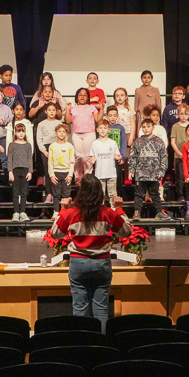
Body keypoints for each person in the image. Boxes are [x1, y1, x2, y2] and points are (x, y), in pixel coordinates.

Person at [50, 174, 131, 330]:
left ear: (81, 192)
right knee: (101, 311)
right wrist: (119, 208)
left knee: (79, 309)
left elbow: (55, 234)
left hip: (78, 263)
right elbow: (125, 232)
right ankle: (100, 345)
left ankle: (82, 345)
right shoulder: (107, 212)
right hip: (102, 263)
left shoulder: (71, 213)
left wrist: (63, 209)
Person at [129, 118, 167, 221]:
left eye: (148, 127)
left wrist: (161, 171)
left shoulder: (159, 141)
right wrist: (131, 170)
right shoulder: (138, 142)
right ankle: (137, 213)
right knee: (139, 195)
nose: (146, 129)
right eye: (144, 127)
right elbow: (133, 157)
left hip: (154, 174)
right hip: (140, 174)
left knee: (155, 194)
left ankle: (159, 212)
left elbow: (164, 157)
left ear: (153, 127)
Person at [65, 88, 102, 182]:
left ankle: (87, 175)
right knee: (78, 155)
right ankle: (78, 175)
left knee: (87, 156)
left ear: (88, 97)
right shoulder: (74, 108)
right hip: (77, 134)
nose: (82, 96)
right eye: (80, 95)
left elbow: (98, 119)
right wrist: (68, 110)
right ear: (77, 97)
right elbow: (68, 121)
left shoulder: (92, 107)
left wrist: (101, 108)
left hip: (89, 133)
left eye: (85, 95)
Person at [89, 119, 122, 205]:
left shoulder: (113, 143)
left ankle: (114, 210)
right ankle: (101, 211)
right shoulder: (94, 143)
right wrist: (92, 159)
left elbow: (116, 155)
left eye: (105, 128)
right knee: (100, 194)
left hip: (111, 172)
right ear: (97, 130)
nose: (103, 130)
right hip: (100, 173)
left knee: (112, 194)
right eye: (101, 128)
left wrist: (117, 157)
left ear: (108, 130)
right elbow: (93, 156)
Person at [47, 123, 75, 222]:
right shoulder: (52, 146)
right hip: (56, 173)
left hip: (66, 173)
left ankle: (66, 211)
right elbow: (50, 161)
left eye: (64, 132)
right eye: (59, 131)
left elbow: (72, 161)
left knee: (66, 193)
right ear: (56, 133)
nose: (62, 133)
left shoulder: (69, 146)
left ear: (67, 134)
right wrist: (52, 175)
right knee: (56, 193)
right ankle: (56, 211)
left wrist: (70, 174)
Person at [8, 123, 34, 222]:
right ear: (15, 132)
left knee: (24, 192)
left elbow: (29, 159)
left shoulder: (28, 145)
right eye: (19, 131)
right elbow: (9, 158)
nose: (21, 133)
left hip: (25, 170)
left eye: (23, 131)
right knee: (15, 192)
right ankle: (16, 212)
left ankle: (23, 212)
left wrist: (30, 171)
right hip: (15, 170)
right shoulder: (12, 145)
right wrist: (10, 171)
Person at [37, 102, 61, 205]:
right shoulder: (41, 124)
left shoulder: (59, 123)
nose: (51, 112)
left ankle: (57, 194)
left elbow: (63, 137)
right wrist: (44, 150)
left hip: (57, 147)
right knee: (48, 172)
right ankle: (49, 193)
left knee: (57, 171)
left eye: (53, 110)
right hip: (46, 148)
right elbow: (39, 139)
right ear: (46, 111)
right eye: (49, 110)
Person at [105, 106, 128, 196]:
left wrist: (123, 156)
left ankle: (118, 195)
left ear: (117, 116)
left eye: (114, 115)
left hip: (117, 157)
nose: (112, 117)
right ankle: (107, 195)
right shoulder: (105, 127)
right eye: (110, 115)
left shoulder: (121, 128)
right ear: (107, 116)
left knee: (118, 177)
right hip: (107, 157)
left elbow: (123, 142)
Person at [170, 104, 189, 202]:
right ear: (178, 115)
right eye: (181, 114)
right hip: (179, 156)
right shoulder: (175, 126)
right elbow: (172, 142)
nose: (184, 116)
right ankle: (180, 195)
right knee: (179, 176)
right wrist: (179, 153)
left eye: (186, 114)